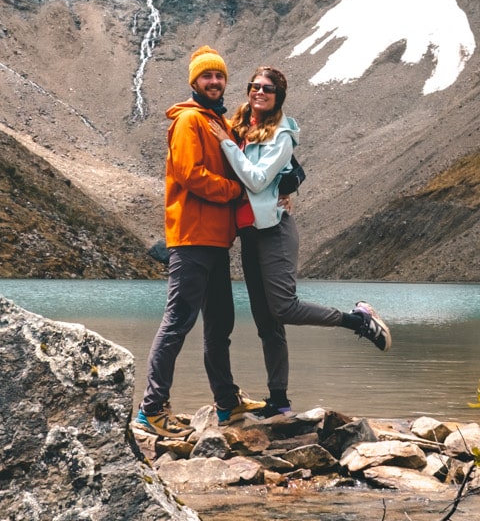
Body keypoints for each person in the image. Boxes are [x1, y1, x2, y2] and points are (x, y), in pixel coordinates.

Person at [216, 64, 390, 418]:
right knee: (267, 322)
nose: (259, 92)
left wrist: (224, 145)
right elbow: (292, 174)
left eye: (267, 88)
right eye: (254, 86)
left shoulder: (279, 133)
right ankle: (278, 400)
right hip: (250, 233)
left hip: (275, 232)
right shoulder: (242, 128)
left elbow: (258, 179)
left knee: (284, 308)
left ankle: (358, 320)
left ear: (278, 97)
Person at [137, 46, 251, 435]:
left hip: (216, 240)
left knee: (220, 324)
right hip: (191, 238)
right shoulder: (188, 121)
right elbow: (190, 174)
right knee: (178, 321)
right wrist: (234, 191)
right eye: (207, 77)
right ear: (194, 81)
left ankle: (226, 403)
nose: (215, 82)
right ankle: (151, 408)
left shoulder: (216, 121)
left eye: (219, 76)